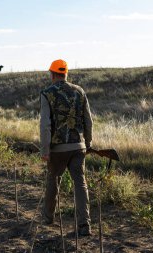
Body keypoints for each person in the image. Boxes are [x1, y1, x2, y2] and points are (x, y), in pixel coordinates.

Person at [40, 59, 93, 236]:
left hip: (57, 149)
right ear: (66, 73)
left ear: (53, 74)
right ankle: (84, 224)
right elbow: (88, 120)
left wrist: (45, 150)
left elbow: (45, 125)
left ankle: (48, 218)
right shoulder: (80, 91)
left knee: (53, 180)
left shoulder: (47, 93)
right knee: (80, 183)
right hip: (79, 146)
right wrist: (88, 143)